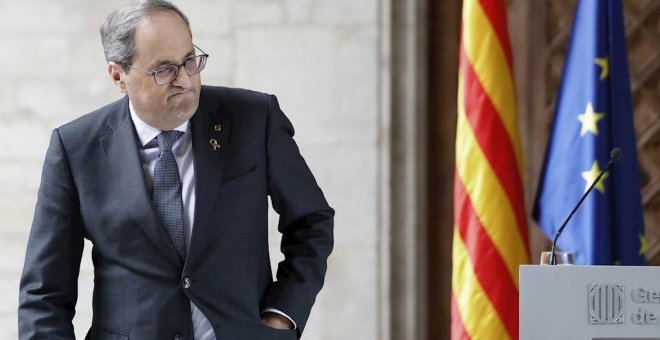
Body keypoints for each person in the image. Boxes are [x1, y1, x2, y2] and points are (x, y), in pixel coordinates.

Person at [18, 1, 334, 339]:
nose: (185, 80)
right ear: (118, 76)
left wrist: (281, 315)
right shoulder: (75, 148)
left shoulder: (254, 119)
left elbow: (311, 222)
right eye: (164, 70)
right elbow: (45, 293)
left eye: (189, 61)